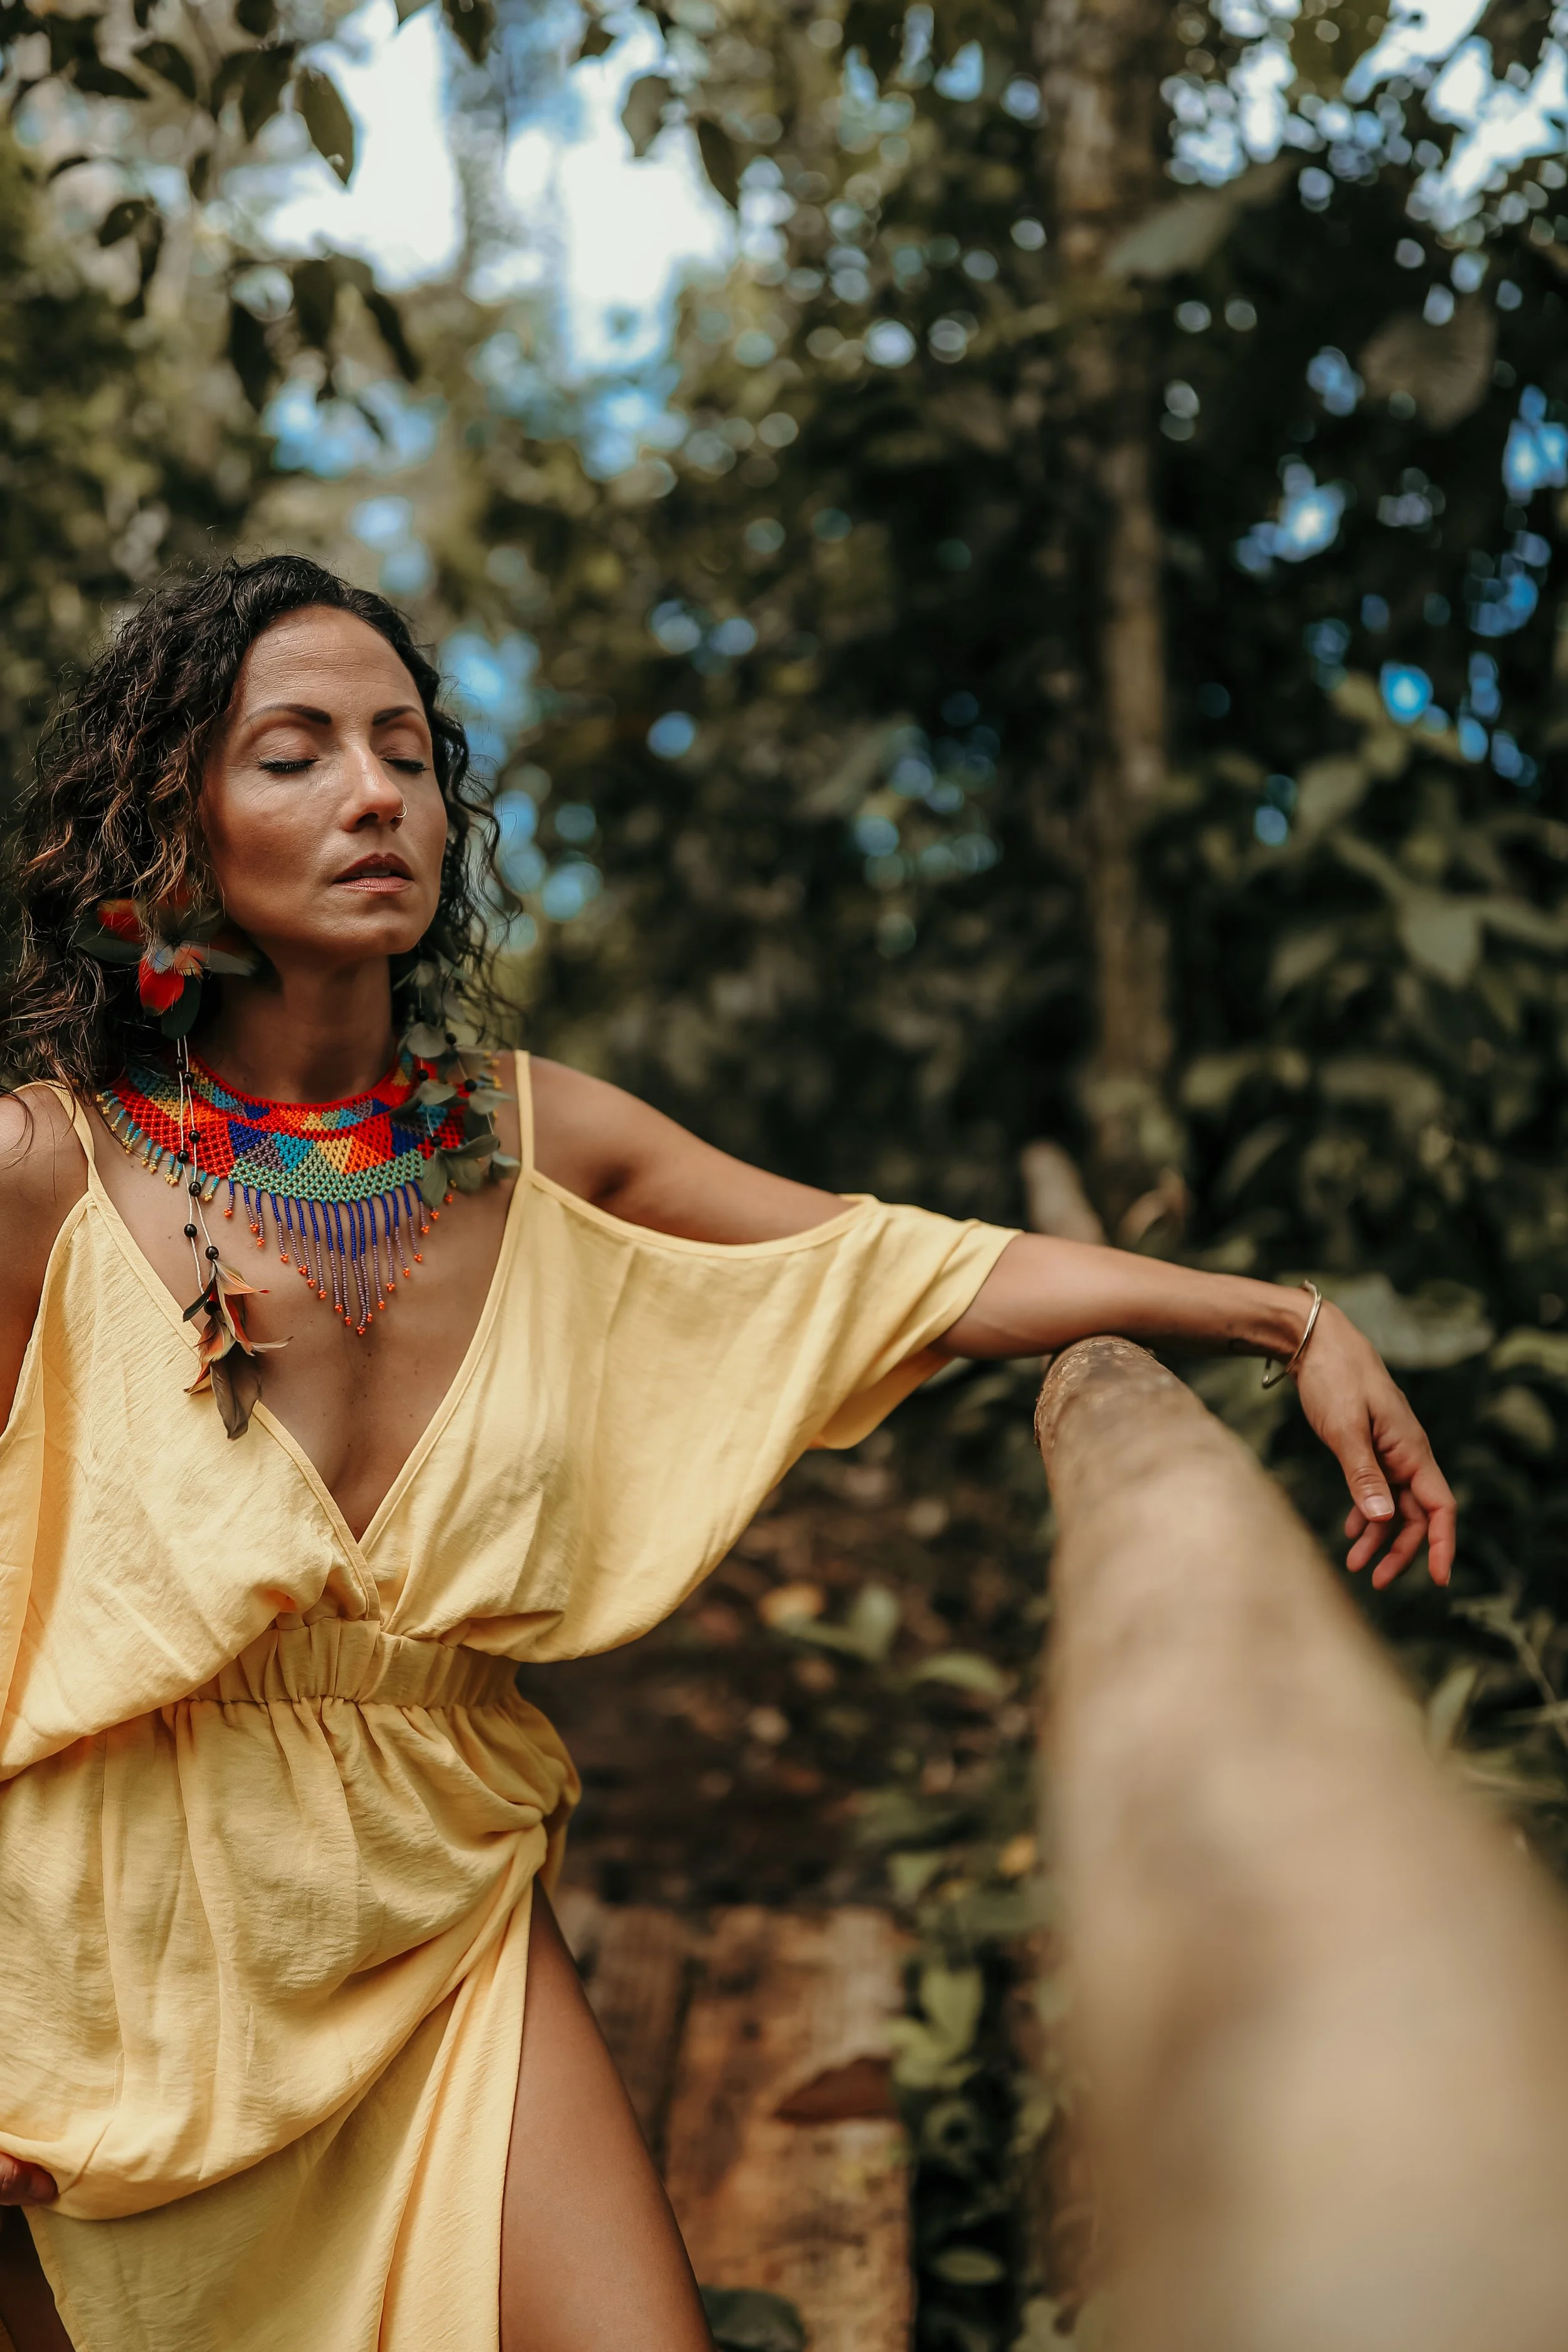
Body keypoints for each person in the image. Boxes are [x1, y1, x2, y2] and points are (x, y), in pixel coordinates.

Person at [0, 555, 1454, 2352]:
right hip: (95, 1950)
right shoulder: (45, 1175)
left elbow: (891, 1263)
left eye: (405, 750)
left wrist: (1279, 1315)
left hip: (435, 1912)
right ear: (173, 831)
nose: (374, 792)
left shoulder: (535, 1139)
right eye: (291, 753)